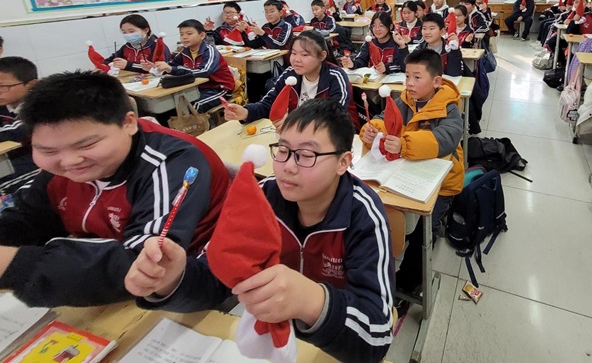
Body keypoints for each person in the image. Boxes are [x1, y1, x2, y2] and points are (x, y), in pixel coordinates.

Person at [125, 99, 394, 363]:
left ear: (343, 162)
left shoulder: (363, 214)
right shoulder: (262, 197)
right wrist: (173, 279)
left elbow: (377, 336)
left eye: (306, 155)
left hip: (332, 341)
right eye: (283, 150)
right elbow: (216, 276)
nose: (288, 166)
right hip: (266, 337)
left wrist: (311, 301)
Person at [0, 71, 228, 308]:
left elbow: (146, 263)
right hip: (105, 287)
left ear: (129, 123)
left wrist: (16, 264)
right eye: (47, 151)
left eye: (87, 145)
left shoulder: (172, 162)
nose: (68, 161)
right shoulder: (61, 170)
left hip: (186, 285)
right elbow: (29, 218)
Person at [360, 49, 464, 313]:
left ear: (436, 81)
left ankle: (407, 285)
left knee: (421, 235)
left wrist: (404, 144)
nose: (409, 83)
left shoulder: (448, 106)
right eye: (407, 76)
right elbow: (385, 120)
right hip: (405, 173)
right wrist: (373, 129)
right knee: (380, 212)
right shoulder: (404, 100)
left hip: (441, 184)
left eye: (417, 77)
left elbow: (446, 138)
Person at [224, 31, 355, 130]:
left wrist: (294, 123)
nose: (296, 59)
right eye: (293, 53)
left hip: (333, 136)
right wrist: (246, 112)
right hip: (296, 134)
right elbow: (268, 103)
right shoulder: (290, 74)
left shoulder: (335, 77)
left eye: (304, 55)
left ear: (322, 56)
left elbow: (334, 118)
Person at [150, 19, 235, 113]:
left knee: (193, 106)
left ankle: (199, 123)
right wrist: (157, 67)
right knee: (171, 105)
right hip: (198, 87)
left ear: (202, 35)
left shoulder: (210, 51)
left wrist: (171, 69)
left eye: (189, 34)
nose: (184, 37)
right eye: (181, 34)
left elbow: (204, 71)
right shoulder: (185, 52)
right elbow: (171, 65)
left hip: (219, 89)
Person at [0, 57, 38, 186]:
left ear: (31, 85)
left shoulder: (41, 104)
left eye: (2, 87)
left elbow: (16, 131)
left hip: (36, 164)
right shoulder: (3, 108)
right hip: (14, 162)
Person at [340, 12, 408, 74]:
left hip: (392, 81)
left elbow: (404, 67)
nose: (377, 29)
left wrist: (386, 68)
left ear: (390, 27)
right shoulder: (369, 43)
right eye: (374, 26)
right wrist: (352, 64)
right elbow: (361, 60)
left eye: (381, 26)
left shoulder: (396, 43)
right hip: (374, 80)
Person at [105, 14, 171, 72]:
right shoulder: (127, 47)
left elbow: (159, 69)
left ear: (146, 30)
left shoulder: (158, 46)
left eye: (131, 31)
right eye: (124, 32)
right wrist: (111, 64)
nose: (128, 35)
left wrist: (128, 65)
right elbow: (108, 60)